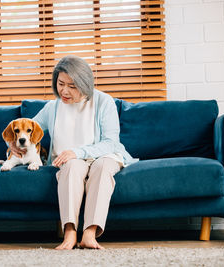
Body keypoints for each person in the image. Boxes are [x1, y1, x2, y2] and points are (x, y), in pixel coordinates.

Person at [9, 55, 136, 250]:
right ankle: (69, 233)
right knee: (71, 166)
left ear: (85, 84)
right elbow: (28, 128)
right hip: (70, 160)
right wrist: (13, 144)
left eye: (72, 86)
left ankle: (89, 234)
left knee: (101, 167)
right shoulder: (53, 107)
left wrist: (78, 152)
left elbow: (111, 142)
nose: (64, 91)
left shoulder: (104, 102)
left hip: (104, 156)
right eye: (61, 84)